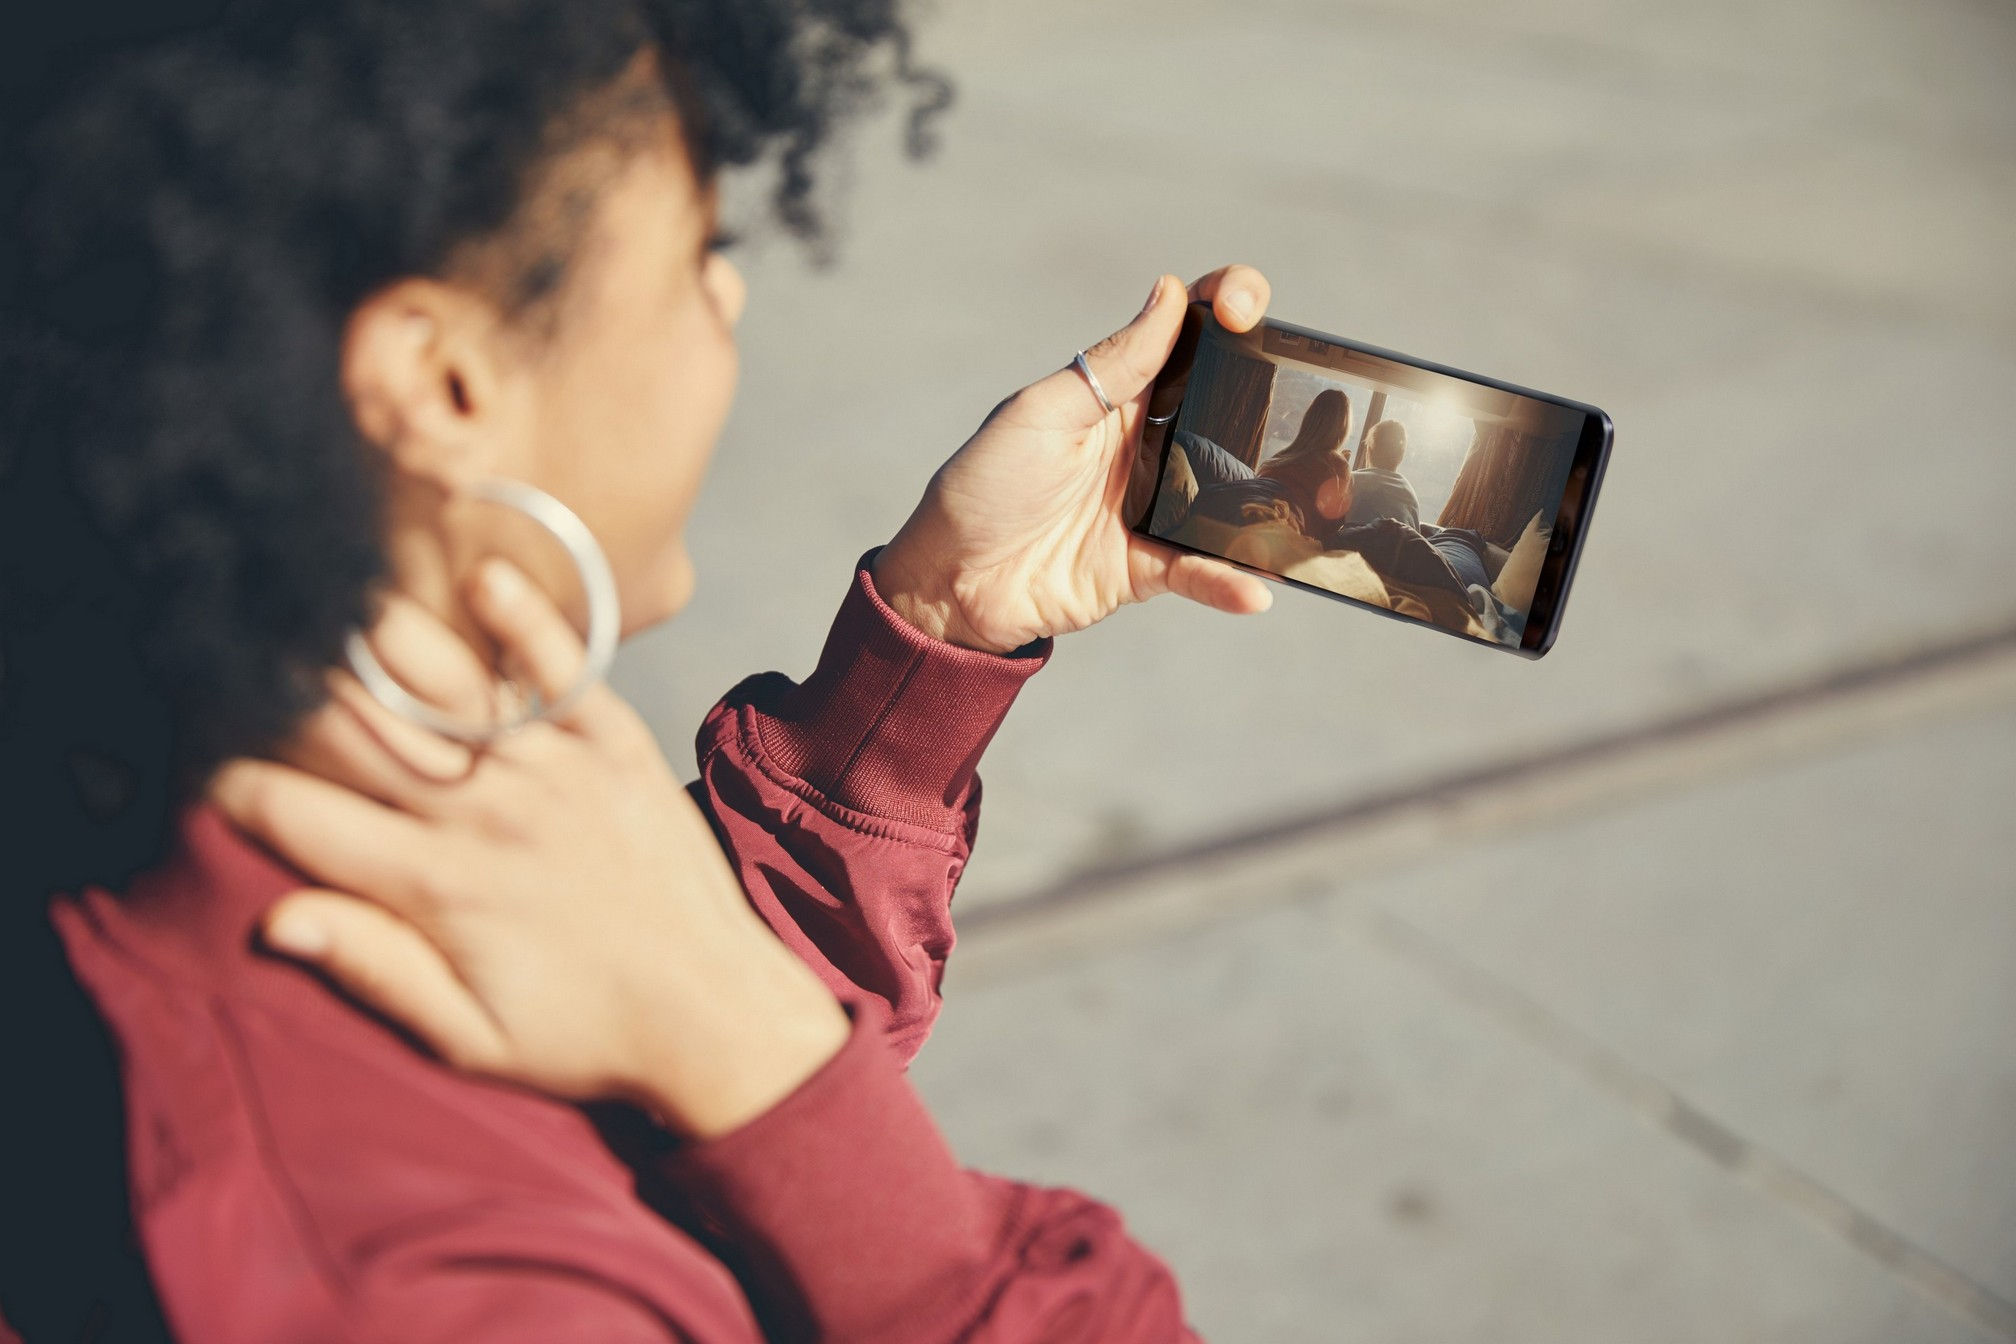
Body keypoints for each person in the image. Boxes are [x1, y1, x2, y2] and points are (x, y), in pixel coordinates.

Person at [0, 4, 1279, 1341]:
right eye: (699, 252)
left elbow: (639, 999)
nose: (728, 295)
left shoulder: (196, 788)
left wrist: (937, 623)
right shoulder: (446, 1291)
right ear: (443, 387)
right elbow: (687, 1045)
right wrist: (753, 1055)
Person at [1171, 387, 1354, 540]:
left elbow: (1262, 475)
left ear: (1310, 418)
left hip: (1241, 491)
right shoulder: (1338, 464)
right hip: (1276, 507)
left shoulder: (1291, 452)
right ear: (1343, 428)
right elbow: (1333, 524)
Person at [1342, 419, 1420, 530]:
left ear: (1369, 450)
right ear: (1401, 456)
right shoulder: (1410, 494)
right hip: (1398, 540)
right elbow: (1415, 534)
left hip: (1357, 540)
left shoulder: (1351, 480)